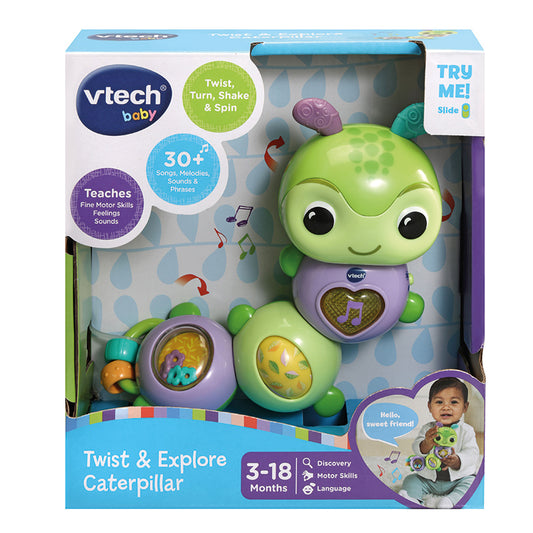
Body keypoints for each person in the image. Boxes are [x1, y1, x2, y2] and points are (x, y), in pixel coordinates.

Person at [399, 377, 479, 508]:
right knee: (411, 479)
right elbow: (416, 447)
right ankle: (413, 499)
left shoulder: (467, 430)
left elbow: (472, 453)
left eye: (453, 402)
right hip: (429, 480)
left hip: (458, 480)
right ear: (430, 406)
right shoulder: (428, 429)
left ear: (465, 407)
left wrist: (458, 460)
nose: (446, 407)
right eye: (439, 402)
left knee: (472, 482)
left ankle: (449, 501)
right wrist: (426, 443)